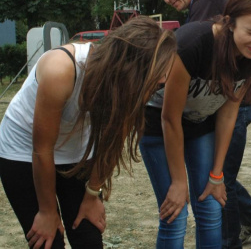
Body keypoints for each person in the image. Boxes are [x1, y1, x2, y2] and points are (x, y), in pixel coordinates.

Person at [0, 16, 177, 249]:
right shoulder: (61, 69)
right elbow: (42, 149)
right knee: (48, 241)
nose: (164, 79)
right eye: (160, 71)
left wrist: (93, 195)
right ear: (131, 64)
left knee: (88, 238)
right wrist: (47, 211)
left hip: (76, 151)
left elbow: (112, 144)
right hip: (23, 151)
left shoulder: (126, 86)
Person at [139, 0, 251, 248]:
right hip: (158, 126)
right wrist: (178, 181)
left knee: (211, 208)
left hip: (200, 125)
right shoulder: (191, 44)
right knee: (175, 214)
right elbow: (170, 118)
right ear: (230, 22)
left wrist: (217, 175)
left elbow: (229, 111)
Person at [151, 0, 251, 248]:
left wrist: (214, 174)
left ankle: (233, 236)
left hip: (225, 104)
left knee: (220, 180)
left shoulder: (207, 2)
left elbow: (204, 63)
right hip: (196, 109)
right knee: (211, 186)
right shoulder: (194, 25)